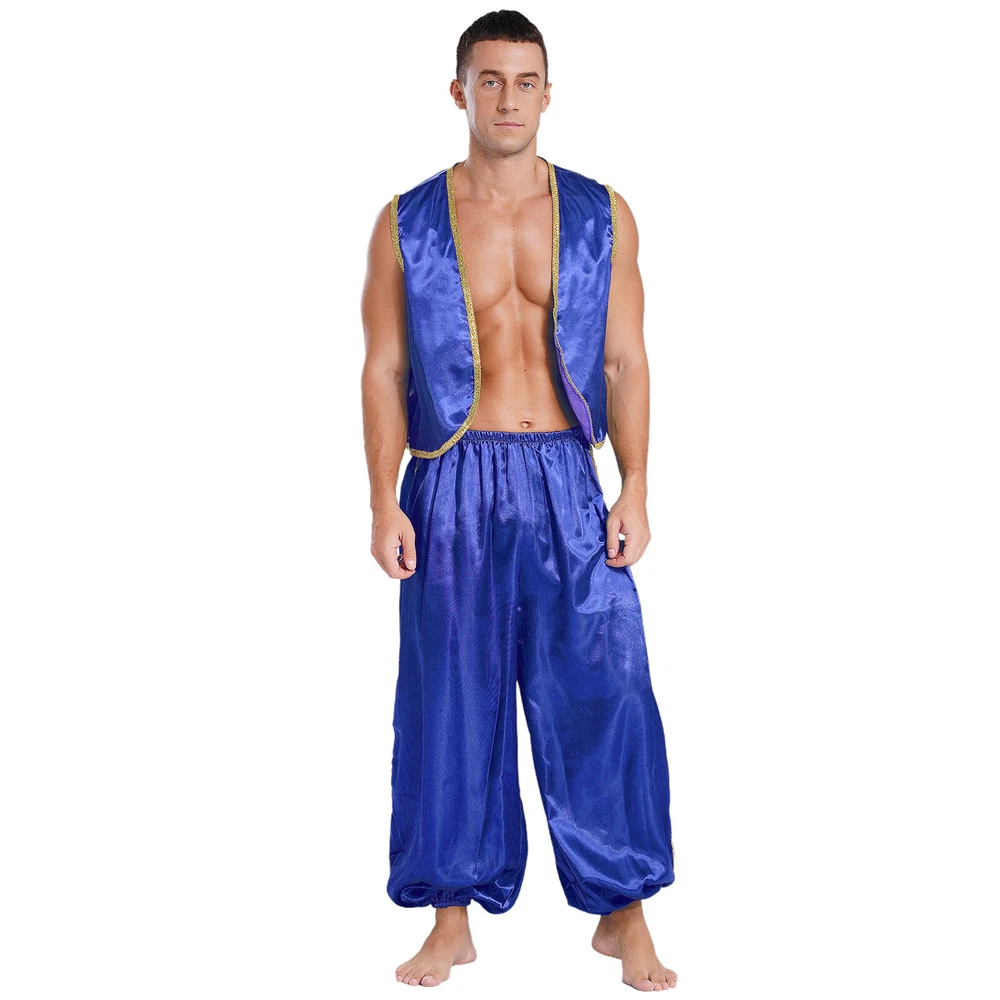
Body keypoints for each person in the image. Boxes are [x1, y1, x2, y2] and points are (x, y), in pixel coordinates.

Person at [361, 11, 677, 992]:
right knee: (451, 699)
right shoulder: (407, 219)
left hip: (566, 480)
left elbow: (624, 360)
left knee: (605, 691)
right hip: (451, 478)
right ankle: (450, 915)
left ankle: (623, 911)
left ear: (548, 93)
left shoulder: (601, 213)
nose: (507, 99)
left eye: (524, 81)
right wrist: (382, 500)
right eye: (489, 80)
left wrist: (636, 485)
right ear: (459, 91)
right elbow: (383, 368)